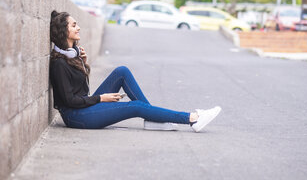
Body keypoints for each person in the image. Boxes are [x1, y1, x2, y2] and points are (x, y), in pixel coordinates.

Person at [49, 11, 221, 132]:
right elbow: (70, 100)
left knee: (121, 71)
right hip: (77, 117)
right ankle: (193, 118)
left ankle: (153, 118)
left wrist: (82, 62)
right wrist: (101, 98)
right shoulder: (59, 64)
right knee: (136, 107)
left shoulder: (73, 56)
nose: (78, 27)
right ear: (64, 31)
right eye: (73, 25)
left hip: (85, 107)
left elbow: (80, 88)